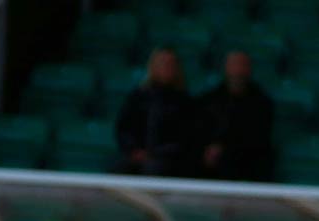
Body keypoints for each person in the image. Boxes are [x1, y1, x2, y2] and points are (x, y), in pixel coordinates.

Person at [116, 47, 198, 177]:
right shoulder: (138, 97)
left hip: (168, 160)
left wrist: (155, 154)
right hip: (136, 155)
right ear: (152, 66)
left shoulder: (185, 102)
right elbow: (123, 128)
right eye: (161, 63)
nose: (165, 67)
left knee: (155, 168)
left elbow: (186, 139)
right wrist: (133, 150)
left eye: (169, 64)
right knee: (118, 166)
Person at [198, 50, 276, 182]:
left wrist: (224, 149)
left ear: (249, 69)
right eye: (234, 65)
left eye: (242, 65)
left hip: (248, 168)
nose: (238, 70)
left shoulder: (260, 103)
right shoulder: (210, 100)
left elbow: (258, 139)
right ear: (225, 68)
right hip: (212, 171)